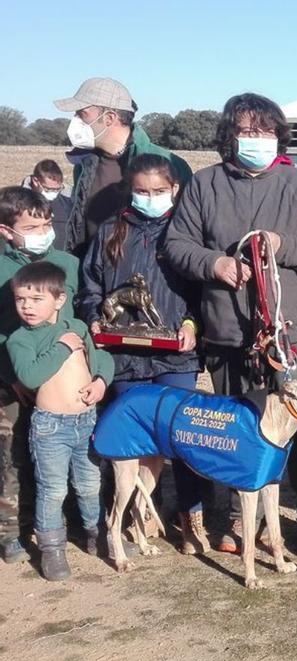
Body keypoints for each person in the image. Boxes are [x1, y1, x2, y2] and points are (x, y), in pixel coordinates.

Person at [163, 93, 297, 552]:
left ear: (278, 136)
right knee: (239, 431)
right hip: (229, 334)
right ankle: (239, 518)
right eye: (245, 131)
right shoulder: (204, 185)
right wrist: (214, 265)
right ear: (230, 137)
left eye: (263, 131)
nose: (255, 140)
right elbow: (177, 246)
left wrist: (283, 245)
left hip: (292, 336)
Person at [77, 153, 207, 554]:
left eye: (158, 191)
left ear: (175, 190)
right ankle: (141, 513)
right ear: (129, 191)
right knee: (135, 441)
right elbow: (90, 287)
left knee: (182, 436)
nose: (149, 197)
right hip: (125, 357)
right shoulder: (111, 231)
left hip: (176, 358)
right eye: (141, 191)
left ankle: (192, 517)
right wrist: (94, 319)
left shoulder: (187, 232)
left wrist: (191, 325)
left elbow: (204, 294)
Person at [6, 261, 114, 580]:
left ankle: (96, 534)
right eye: (20, 299)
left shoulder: (77, 327)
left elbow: (102, 357)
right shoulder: (19, 340)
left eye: (36, 299)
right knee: (52, 489)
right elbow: (31, 374)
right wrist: (62, 348)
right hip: (49, 427)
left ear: (59, 299)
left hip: (85, 421)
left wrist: (100, 381)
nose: (27, 306)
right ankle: (52, 549)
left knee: (90, 484)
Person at [0, 187, 81, 563]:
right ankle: (12, 529)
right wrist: (11, 376)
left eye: (47, 223)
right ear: (6, 230)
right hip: (11, 382)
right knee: (15, 455)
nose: (44, 231)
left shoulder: (68, 263)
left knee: (64, 453)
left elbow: (76, 324)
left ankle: (70, 520)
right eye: (32, 226)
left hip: (64, 383)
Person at [53, 77, 192, 256]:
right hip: (93, 274)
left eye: (82, 113)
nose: (75, 120)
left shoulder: (168, 163)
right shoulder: (84, 165)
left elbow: (186, 228)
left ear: (109, 117)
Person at [27, 160, 73, 249]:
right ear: (36, 181)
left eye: (57, 189)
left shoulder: (68, 202)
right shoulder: (18, 203)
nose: (54, 193)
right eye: (48, 189)